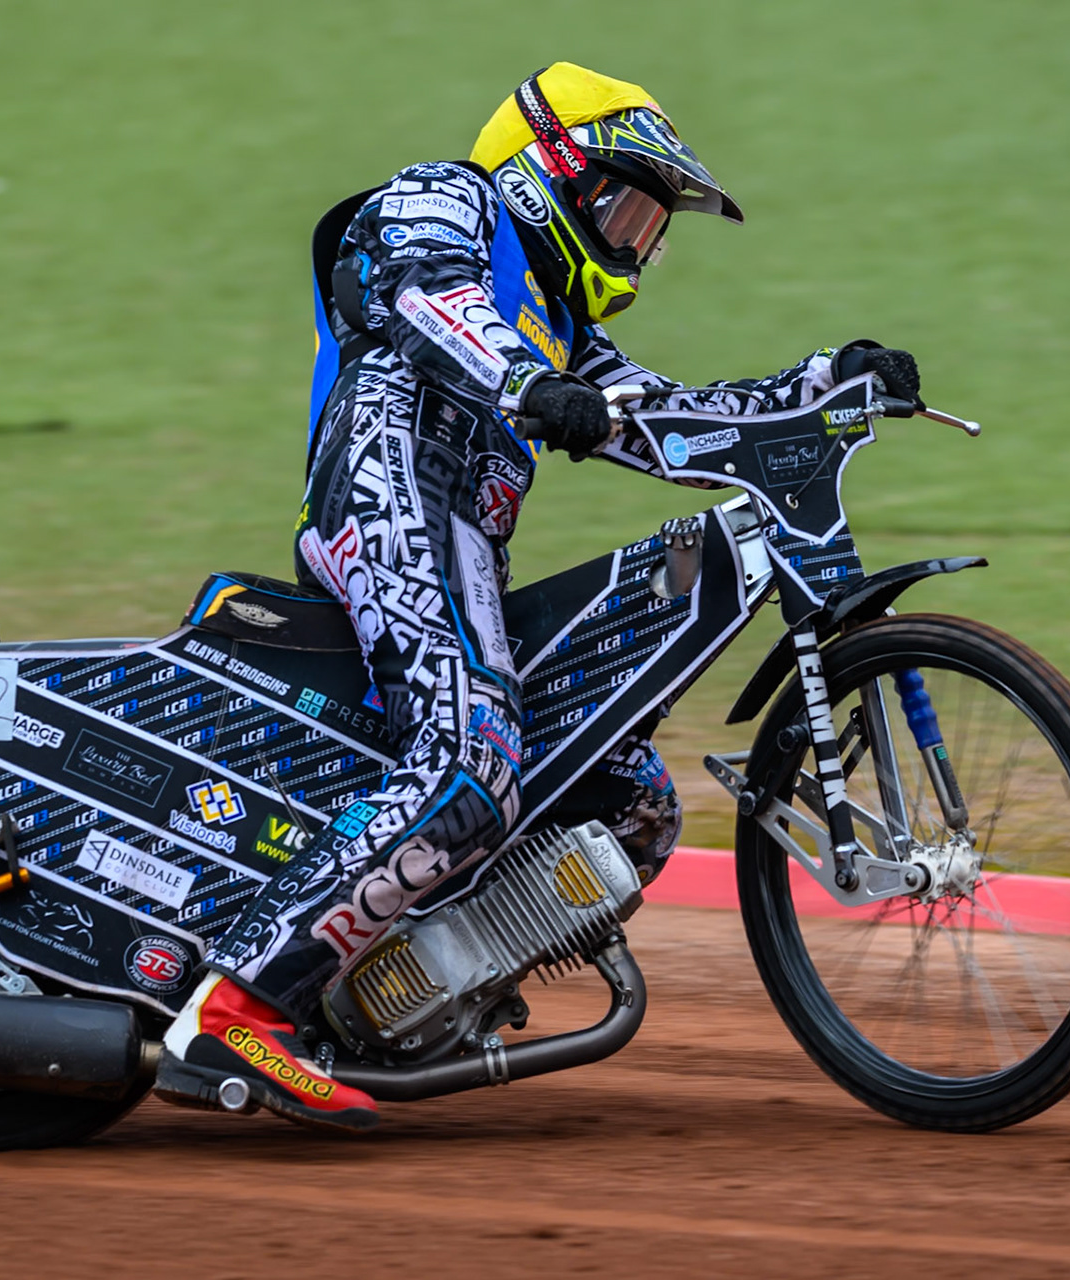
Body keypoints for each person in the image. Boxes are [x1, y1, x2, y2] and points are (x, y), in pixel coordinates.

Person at [155, 63, 922, 1132]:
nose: (638, 242)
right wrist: (524, 383)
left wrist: (820, 383)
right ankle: (233, 1009)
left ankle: (387, 994)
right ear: (550, 169)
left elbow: (671, 418)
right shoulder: (445, 196)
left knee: (636, 802)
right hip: (387, 498)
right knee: (474, 759)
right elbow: (427, 293)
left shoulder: (561, 327)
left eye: (654, 225)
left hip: (457, 533)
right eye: (628, 204)